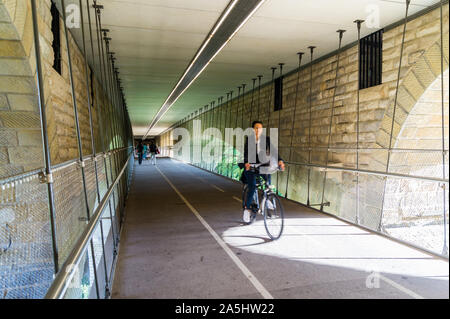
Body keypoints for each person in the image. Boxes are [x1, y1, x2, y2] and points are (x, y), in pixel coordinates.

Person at [242, 121, 285, 223]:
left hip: (262, 166)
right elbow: (246, 153)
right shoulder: (249, 140)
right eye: (256, 128)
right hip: (251, 167)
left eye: (260, 128)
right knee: (252, 186)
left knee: (268, 181)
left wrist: (280, 161)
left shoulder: (266, 139)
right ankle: (247, 209)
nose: (258, 130)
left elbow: (274, 151)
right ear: (253, 129)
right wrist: (247, 163)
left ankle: (267, 199)